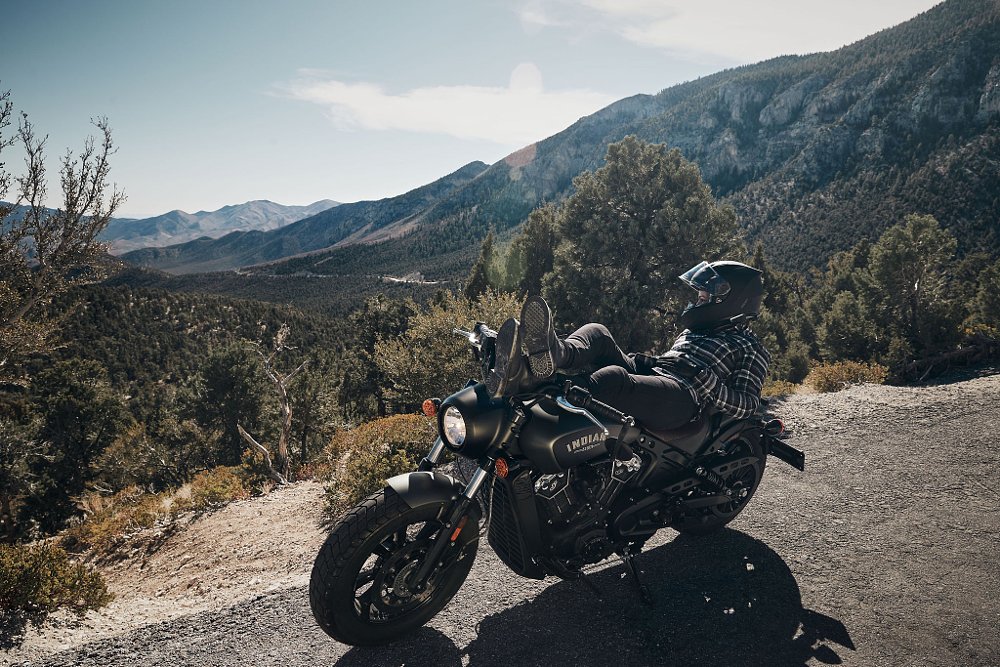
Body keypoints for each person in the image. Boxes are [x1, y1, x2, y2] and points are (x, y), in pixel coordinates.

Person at [485, 260, 771, 432]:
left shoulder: (749, 347)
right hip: (659, 374)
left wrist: (706, 381)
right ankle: (547, 358)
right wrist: (649, 360)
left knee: (613, 379)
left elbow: (747, 405)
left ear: (733, 301)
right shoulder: (699, 330)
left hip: (686, 398)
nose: (697, 301)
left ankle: (547, 395)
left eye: (704, 295)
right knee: (597, 333)